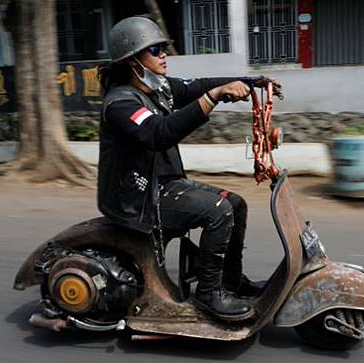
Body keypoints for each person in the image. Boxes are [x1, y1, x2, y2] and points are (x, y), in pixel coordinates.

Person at [97, 16, 280, 321]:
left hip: (165, 184)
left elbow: (197, 86)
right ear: (132, 61)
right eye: (155, 50)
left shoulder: (159, 89)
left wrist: (249, 82)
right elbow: (158, 132)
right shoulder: (121, 103)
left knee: (236, 203)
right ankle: (209, 295)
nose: (163, 54)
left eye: (162, 48)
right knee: (218, 210)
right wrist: (214, 97)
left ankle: (230, 282)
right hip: (138, 198)